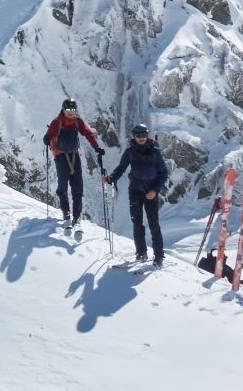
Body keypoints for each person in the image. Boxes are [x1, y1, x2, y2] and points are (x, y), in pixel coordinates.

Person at [103, 123, 169, 266]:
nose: (141, 138)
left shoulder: (155, 152)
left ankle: (159, 257)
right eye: (139, 136)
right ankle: (141, 253)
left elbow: (164, 173)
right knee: (137, 224)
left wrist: (155, 190)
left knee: (154, 224)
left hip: (151, 192)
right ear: (134, 136)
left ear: (147, 135)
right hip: (135, 191)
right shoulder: (130, 152)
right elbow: (121, 168)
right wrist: (110, 179)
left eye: (144, 135)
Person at [43, 97, 105, 227]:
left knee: (78, 187)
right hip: (60, 156)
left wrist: (97, 147)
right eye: (68, 109)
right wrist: (47, 138)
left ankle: (76, 217)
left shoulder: (77, 121)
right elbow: (49, 134)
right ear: (63, 109)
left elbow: (88, 134)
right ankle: (66, 212)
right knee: (62, 186)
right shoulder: (57, 122)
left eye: (73, 109)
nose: (71, 112)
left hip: (74, 155)